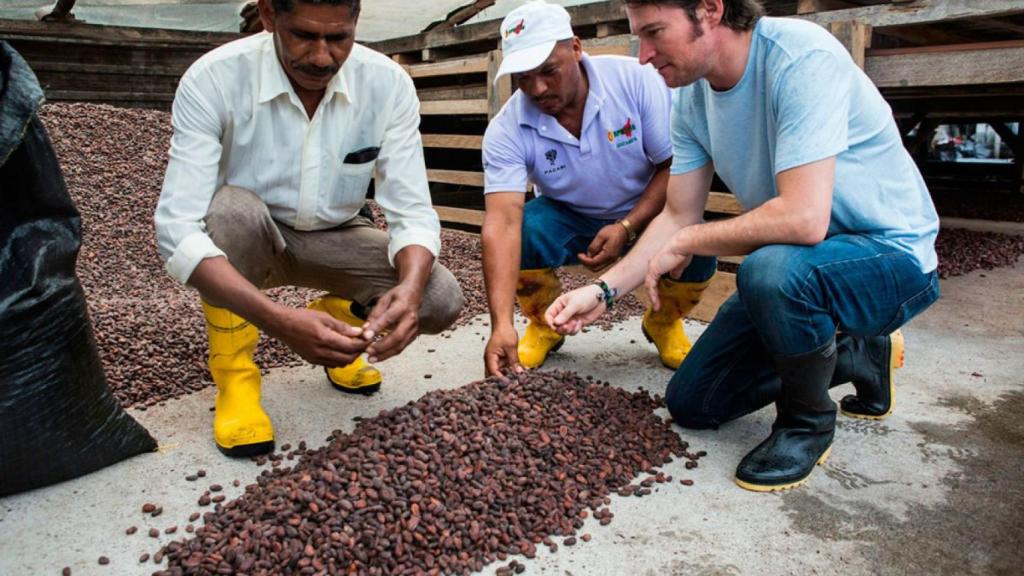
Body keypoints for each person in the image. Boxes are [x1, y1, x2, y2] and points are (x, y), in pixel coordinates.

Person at [547, 0, 940, 492]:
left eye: (654, 33)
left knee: (771, 270)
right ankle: (856, 354)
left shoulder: (800, 58)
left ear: (710, 10)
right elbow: (676, 215)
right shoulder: (691, 100)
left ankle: (806, 423)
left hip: (891, 257)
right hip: (806, 269)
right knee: (694, 403)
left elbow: (802, 218)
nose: (643, 56)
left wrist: (694, 239)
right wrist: (600, 293)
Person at [154, 0, 464, 457]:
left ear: (356, 23)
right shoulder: (215, 78)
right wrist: (281, 323)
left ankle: (340, 327)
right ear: (268, 16)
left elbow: (412, 210)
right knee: (229, 214)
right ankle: (235, 378)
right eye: (304, 35)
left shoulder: (386, 83)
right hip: (247, 241)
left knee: (439, 297)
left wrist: (411, 288)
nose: (322, 58)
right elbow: (177, 229)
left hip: (338, 233)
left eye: (338, 38)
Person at [481, 0, 716, 378]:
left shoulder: (635, 81)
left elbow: (672, 165)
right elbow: (501, 223)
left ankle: (664, 321)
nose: (537, 89)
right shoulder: (508, 129)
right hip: (568, 216)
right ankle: (542, 323)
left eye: (548, 71)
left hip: (648, 210)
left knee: (696, 238)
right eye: (523, 78)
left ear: (575, 48)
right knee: (525, 229)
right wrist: (500, 325)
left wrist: (629, 226)